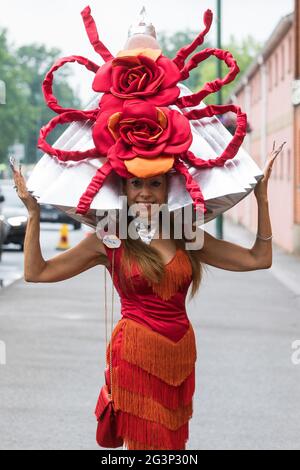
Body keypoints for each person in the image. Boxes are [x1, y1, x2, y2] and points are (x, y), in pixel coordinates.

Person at [11, 138, 284, 450]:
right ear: (123, 189)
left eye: (155, 183)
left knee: (171, 446)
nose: (145, 193)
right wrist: (33, 215)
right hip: (134, 357)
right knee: (146, 444)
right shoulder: (109, 237)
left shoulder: (185, 232)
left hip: (180, 358)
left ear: (169, 188)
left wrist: (262, 199)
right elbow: (38, 272)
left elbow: (258, 259)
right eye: (135, 183)